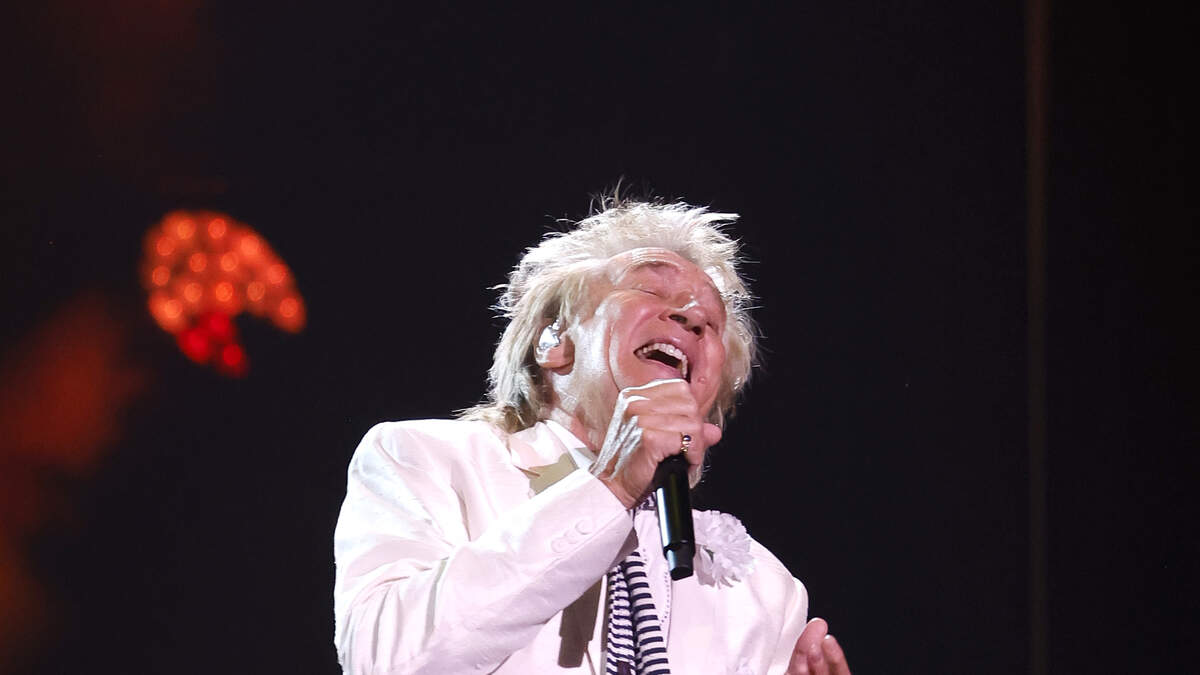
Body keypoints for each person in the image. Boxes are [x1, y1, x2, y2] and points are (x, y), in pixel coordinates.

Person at [333, 198, 852, 674]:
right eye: (650, 289)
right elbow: (386, 660)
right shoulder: (429, 460)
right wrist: (610, 488)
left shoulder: (761, 588)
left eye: (710, 324)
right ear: (553, 340)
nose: (691, 316)